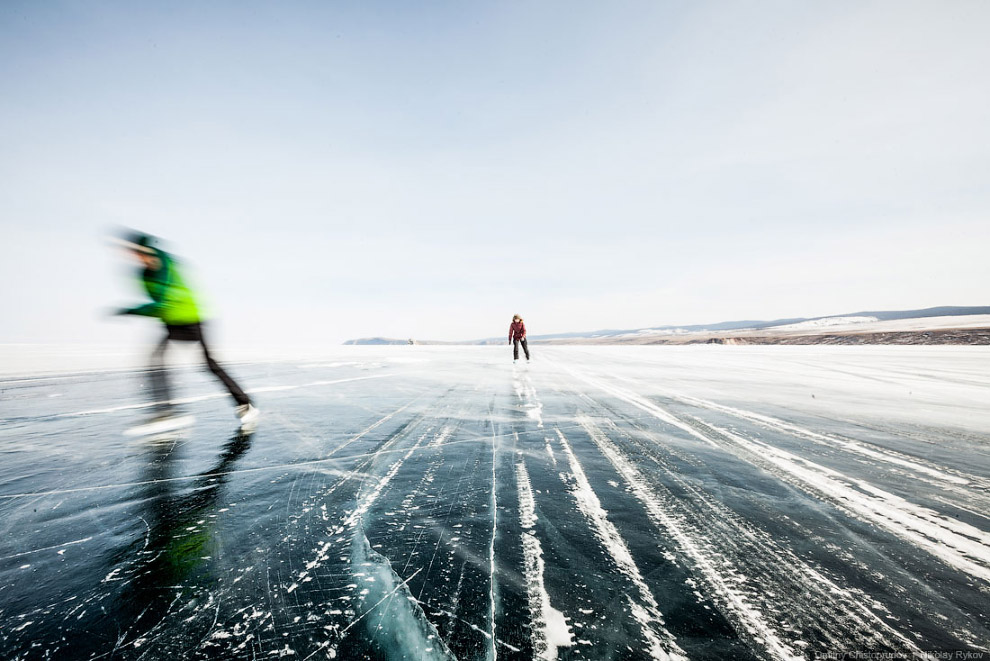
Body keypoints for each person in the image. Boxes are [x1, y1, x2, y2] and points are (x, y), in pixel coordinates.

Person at [112, 231, 259, 427]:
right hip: (171, 323)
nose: (140, 259)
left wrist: (131, 310)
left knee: (209, 364)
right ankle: (165, 411)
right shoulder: (144, 274)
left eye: (142, 254)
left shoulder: (167, 266)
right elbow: (158, 305)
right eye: (136, 255)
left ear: (148, 252)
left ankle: (245, 404)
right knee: (155, 360)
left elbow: (163, 303)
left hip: (191, 320)